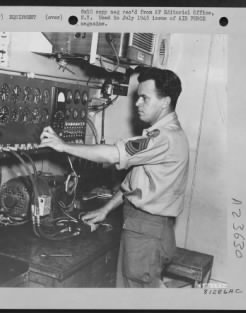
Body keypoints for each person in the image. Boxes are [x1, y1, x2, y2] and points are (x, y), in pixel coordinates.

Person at [39, 67, 189, 288]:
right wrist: (105, 209)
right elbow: (134, 185)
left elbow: (112, 154)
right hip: (145, 230)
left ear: (165, 102)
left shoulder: (163, 138)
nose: (137, 104)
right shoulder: (164, 136)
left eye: (144, 99)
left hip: (145, 233)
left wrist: (62, 146)